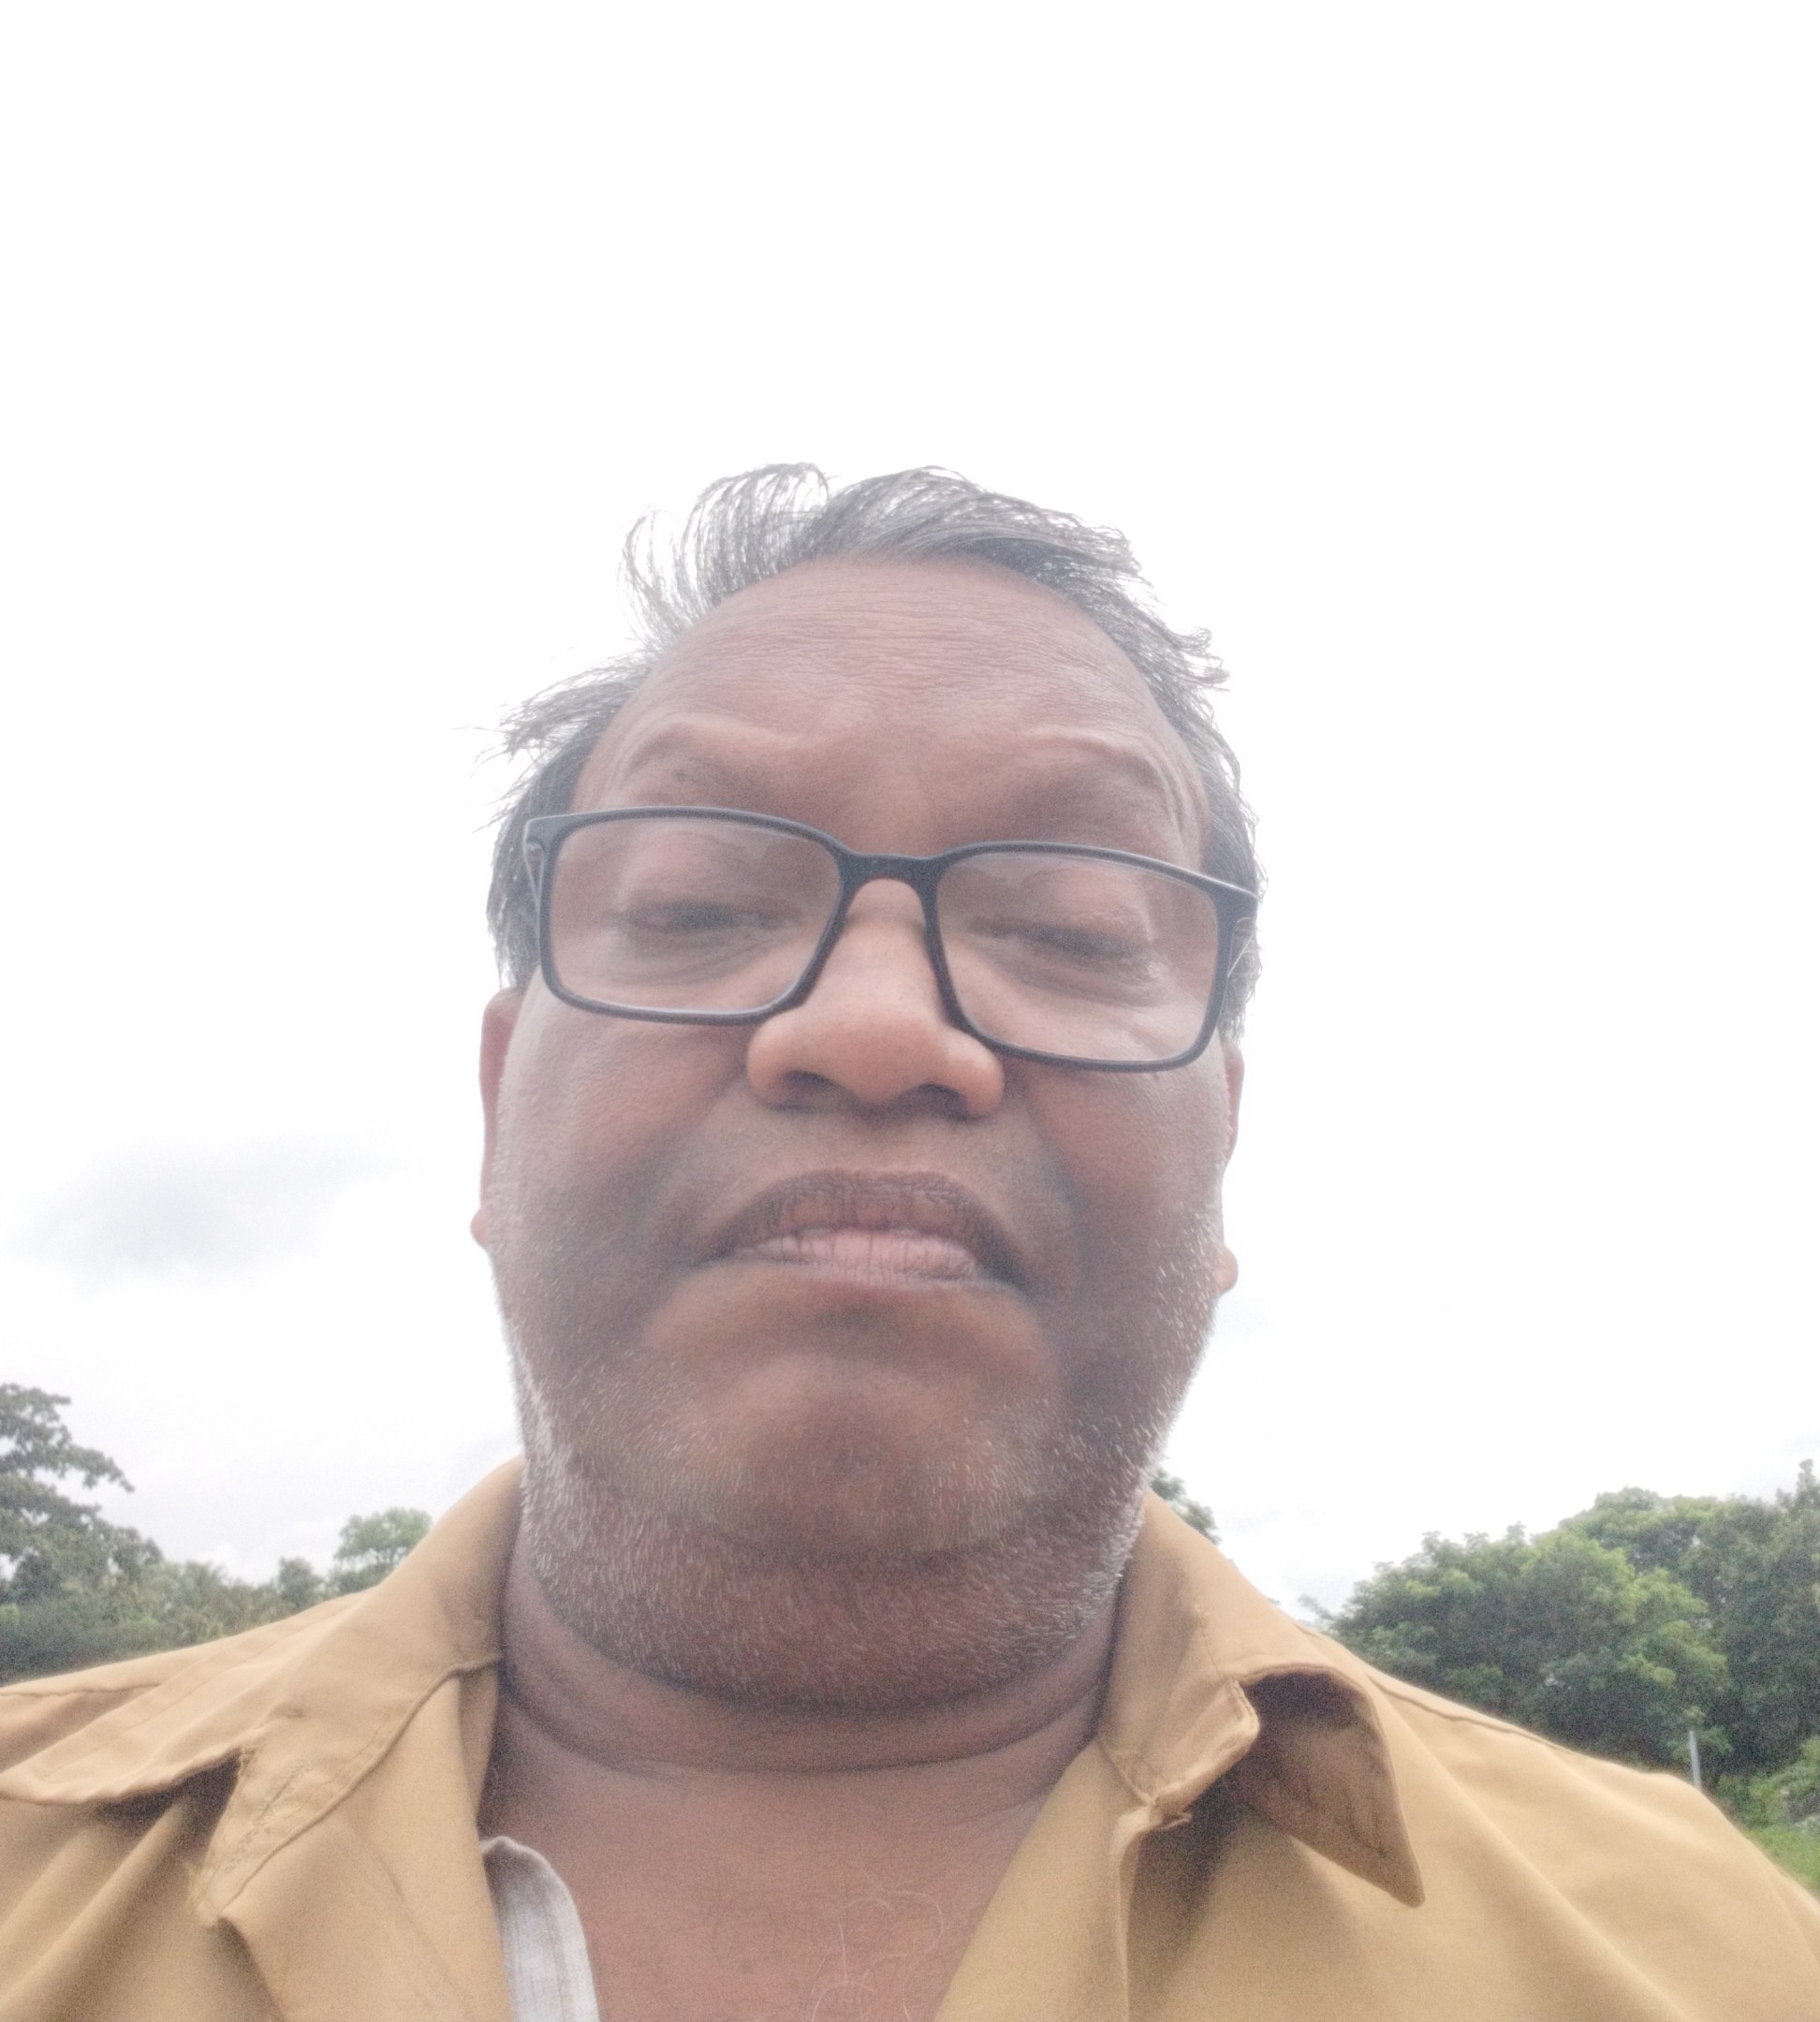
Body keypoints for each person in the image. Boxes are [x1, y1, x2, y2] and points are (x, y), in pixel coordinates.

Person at [0, 465, 1814, 2022]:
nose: (875, 1028)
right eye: (698, 905)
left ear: (1225, 1145)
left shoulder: (1708, 1963)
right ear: (496, 1104)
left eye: (1070, 928)